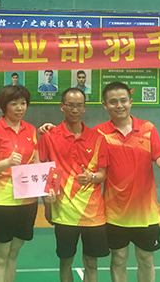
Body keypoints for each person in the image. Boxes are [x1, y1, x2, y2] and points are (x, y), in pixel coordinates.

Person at [96, 81, 160, 282]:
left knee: (146, 259)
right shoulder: (100, 132)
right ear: (105, 105)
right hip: (115, 212)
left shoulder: (148, 128)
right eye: (113, 102)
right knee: (118, 258)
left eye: (123, 100)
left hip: (145, 212)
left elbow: (159, 156)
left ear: (131, 102)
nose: (119, 105)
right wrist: (50, 129)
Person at [38, 88, 109, 282]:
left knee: (91, 262)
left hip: (93, 213)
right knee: (65, 262)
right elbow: (44, 168)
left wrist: (91, 177)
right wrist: (47, 203)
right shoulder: (49, 136)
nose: (75, 110)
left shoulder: (98, 138)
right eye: (70, 105)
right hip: (64, 212)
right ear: (62, 107)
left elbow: (102, 173)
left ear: (85, 108)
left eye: (79, 106)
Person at [0, 85, 39, 282]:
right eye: (14, 104)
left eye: (23, 103)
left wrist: (47, 187)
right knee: (0, 255)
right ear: (4, 106)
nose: (20, 108)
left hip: (27, 202)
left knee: (14, 253)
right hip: (2, 202)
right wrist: (7, 162)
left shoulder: (30, 129)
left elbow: (36, 163)